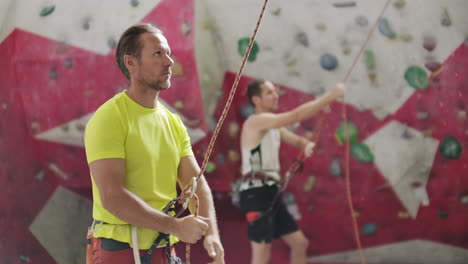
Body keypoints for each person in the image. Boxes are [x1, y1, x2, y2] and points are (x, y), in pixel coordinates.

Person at [84, 23, 224, 264]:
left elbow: (195, 185)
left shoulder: (173, 123)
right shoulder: (110, 118)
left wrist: (212, 234)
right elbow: (112, 196)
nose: (169, 61)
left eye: (168, 53)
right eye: (158, 53)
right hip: (120, 252)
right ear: (131, 63)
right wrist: (175, 226)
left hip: (164, 251)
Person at [239, 79, 345, 264]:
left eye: (275, 92)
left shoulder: (273, 126)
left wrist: (306, 144)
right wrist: (329, 97)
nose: (276, 96)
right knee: (261, 254)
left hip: (269, 192)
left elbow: (296, 140)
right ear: (256, 100)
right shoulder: (256, 122)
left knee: (299, 243)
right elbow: (295, 116)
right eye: (270, 93)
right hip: (256, 194)